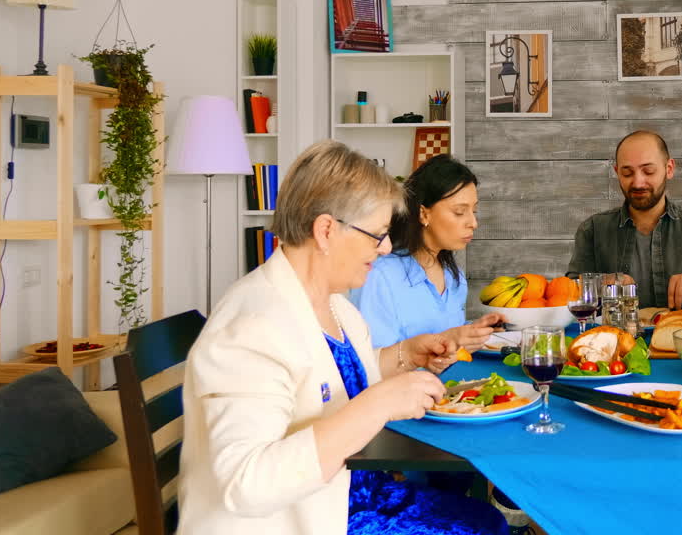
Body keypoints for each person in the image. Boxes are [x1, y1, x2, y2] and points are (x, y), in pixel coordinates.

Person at [178, 140, 507, 535]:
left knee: (483, 517)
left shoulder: (336, 306)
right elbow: (245, 484)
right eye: (377, 235)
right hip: (302, 517)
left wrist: (405, 355)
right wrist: (378, 405)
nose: (385, 248)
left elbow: (338, 378)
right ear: (327, 230)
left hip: (346, 493)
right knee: (480, 526)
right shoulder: (254, 325)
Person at [567, 130, 682, 309]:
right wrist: (603, 282)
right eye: (627, 173)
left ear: (669, 169)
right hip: (616, 336)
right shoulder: (593, 229)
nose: (638, 183)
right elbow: (567, 291)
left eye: (648, 171)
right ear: (617, 172)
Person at [351, 155, 504, 352]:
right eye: (459, 212)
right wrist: (446, 338)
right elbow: (369, 364)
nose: (473, 223)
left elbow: (450, 342)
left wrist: (473, 331)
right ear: (423, 213)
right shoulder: (377, 276)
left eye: (474, 211)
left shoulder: (453, 275)